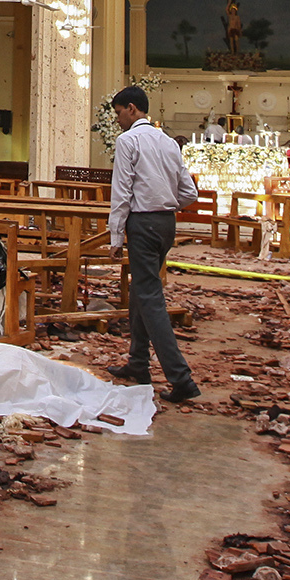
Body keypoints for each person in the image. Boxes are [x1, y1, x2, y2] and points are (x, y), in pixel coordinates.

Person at [104, 85, 199, 403]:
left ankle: (180, 378)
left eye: (118, 113)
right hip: (166, 223)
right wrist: (166, 202)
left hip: (142, 223)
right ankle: (138, 363)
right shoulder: (168, 142)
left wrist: (115, 235)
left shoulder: (128, 140)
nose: (117, 119)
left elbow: (122, 191)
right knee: (142, 291)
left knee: (151, 296)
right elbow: (189, 192)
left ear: (131, 109)